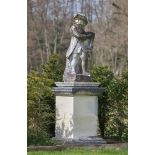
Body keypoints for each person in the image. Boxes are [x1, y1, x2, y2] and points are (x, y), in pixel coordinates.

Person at [64, 13, 95, 77]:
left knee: (84, 58)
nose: (81, 22)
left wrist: (91, 36)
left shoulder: (81, 29)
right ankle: (72, 71)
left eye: (83, 21)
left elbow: (87, 34)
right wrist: (87, 36)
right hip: (75, 46)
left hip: (82, 46)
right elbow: (78, 36)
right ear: (76, 20)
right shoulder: (73, 28)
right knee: (75, 58)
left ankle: (84, 71)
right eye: (80, 20)